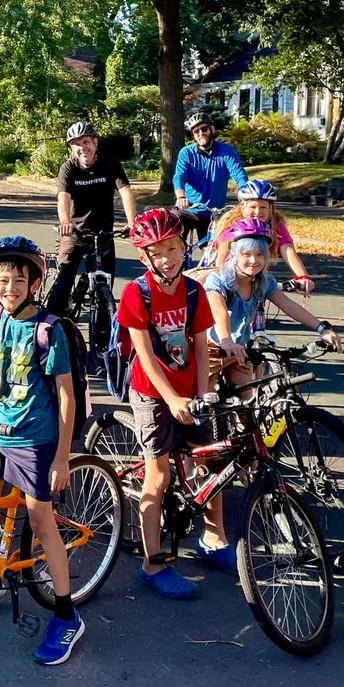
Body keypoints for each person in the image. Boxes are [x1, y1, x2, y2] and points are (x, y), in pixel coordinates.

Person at [0, 237, 84, 666]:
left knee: (41, 520)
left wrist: (62, 457)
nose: (9, 287)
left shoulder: (49, 330)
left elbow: (66, 396)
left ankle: (66, 615)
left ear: (34, 284)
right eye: (2, 279)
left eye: (18, 280)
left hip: (36, 439)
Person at [116, 206, 228, 600]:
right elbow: (145, 354)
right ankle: (153, 563)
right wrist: (172, 397)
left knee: (212, 463)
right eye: (156, 251)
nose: (166, 257)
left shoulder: (195, 291)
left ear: (185, 247)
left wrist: (201, 393)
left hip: (187, 389)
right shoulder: (136, 293)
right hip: (152, 392)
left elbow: (200, 345)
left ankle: (215, 541)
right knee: (159, 475)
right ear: (144, 256)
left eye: (173, 247)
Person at [204, 220, 342, 389]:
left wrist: (323, 328)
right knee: (205, 405)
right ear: (234, 255)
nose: (254, 260)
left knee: (248, 403)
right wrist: (226, 341)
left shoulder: (263, 282)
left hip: (239, 348)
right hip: (210, 349)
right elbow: (219, 311)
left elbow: (289, 306)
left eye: (260, 254)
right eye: (246, 254)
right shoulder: (217, 280)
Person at [46, 121, 138, 317]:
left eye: (86, 141)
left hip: (104, 233)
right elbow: (63, 197)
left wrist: (132, 223)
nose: (82, 148)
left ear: (95, 142)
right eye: (76, 144)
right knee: (64, 278)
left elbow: (125, 192)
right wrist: (65, 223)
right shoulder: (68, 168)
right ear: (72, 148)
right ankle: (51, 325)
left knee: (105, 285)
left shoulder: (110, 164)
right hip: (76, 232)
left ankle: (104, 338)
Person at [206, 181, 310, 289]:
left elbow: (288, 250)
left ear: (271, 209)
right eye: (253, 207)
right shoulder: (234, 224)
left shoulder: (276, 224)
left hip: (257, 272)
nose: (258, 212)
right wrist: (219, 279)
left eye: (263, 207)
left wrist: (302, 276)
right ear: (243, 207)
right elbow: (223, 251)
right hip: (231, 272)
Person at [173, 114, 248, 244]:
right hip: (188, 209)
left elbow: (239, 174)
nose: (201, 134)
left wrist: (247, 195)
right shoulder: (186, 153)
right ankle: (179, 261)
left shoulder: (226, 151)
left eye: (204, 129)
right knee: (175, 240)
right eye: (196, 131)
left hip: (214, 213)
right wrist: (180, 197)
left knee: (216, 250)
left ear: (212, 129)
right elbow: (180, 176)